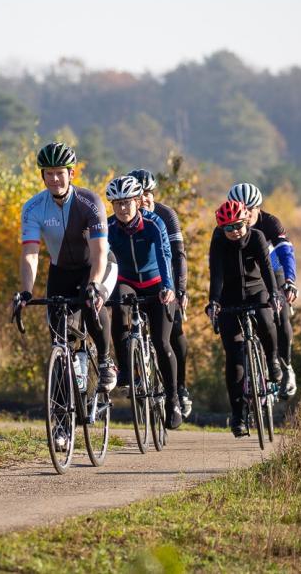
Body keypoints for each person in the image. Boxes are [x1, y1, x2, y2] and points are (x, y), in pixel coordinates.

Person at [17, 142, 118, 392]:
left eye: (60, 172)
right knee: (58, 338)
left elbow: (99, 252)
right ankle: (63, 415)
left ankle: (105, 362)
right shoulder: (32, 208)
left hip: (97, 265)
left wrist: (94, 285)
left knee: (91, 301)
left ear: (71, 173)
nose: (54, 179)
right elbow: (30, 254)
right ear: (42, 176)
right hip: (60, 270)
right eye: (48, 174)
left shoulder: (90, 202)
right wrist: (26, 292)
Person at [105, 175, 183, 430]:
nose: (122, 208)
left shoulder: (153, 223)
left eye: (127, 202)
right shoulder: (109, 228)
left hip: (156, 282)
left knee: (162, 342)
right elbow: (102, 260)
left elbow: (165, 254)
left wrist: (168, 287)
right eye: (117, 204)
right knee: (117, 306)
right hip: (127, 280)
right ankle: (127, 369)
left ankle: (173, 400)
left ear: (138, 202)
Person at [206, 200, 282, 438]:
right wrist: (214, 302)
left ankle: (272, 361)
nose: (234, 231)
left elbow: (267, 269)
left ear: (246, 221)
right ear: (221, 228)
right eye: (228, 228)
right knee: (235, 356)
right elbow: (216, 273)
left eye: (238, 225)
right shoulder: (218, 239)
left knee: (266, 320)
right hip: (229, 296)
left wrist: (273, 295)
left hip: (256, 290)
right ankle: (239, 415)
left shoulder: (257, 237)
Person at [128, 167, 193, 418]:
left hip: (165, 282)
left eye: (148, 193)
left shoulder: (166, 215)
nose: (144, 198)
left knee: (174, 329)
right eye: (139, 194)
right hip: (134, 281)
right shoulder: (124, 218)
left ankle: (180, 387)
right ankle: (135, 371)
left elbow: (177, 255)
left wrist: (180, 290)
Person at [227, 182, 299, 399]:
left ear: (259, 208)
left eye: (251, 209)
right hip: (248, 276)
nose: (246, 214)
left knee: (282, 316)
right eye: (242, 208)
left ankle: (286, 367)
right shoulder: (232, 222)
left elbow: (285, 252)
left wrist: (290, 280)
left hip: (273, 271)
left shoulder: (270, 223)